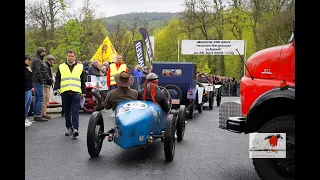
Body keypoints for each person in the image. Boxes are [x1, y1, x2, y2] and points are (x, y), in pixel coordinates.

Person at [53, 50, 86, 138]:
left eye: (72, 56)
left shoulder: (80, 67)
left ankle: (75, 129)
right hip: (65, 92)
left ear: (74, 57)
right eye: (69, 56)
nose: (70, 57)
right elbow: (58, 79)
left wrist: (84, 92)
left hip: (76, 92)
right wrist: (56, 89)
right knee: (66, 111)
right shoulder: (61, 66)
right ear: (66, 56)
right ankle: (69, 127)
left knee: (75, 111)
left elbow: (83, 80)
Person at [31, 47, 49, 121]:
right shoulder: (38, 61)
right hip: (38, 81)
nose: (44, 53)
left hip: (36, 81)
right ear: (40, 52)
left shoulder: (37, 60)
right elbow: (37, 72)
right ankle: (38, 115)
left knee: (37, 98)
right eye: (43, 52)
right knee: (40, 98)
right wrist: (41, 80)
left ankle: (36, 114)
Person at [41, 55, 56, 119]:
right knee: (45, 99)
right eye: (53, 60)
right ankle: (43, 114)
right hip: (46, 84)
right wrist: (51, 80)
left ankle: (44, 113)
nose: (54, 62)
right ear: (51, 60)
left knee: (46, 99)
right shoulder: (46, 66)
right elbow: (46, 75)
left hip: (47, 84)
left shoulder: (47, 65)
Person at [25, 55, 33, 127]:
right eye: (28, 60)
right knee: (25, 104)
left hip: (29, 88)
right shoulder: (26, 69)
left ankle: (26, 118)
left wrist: (32, 87)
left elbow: (30, 79)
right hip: (25, 89)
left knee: (28, 104)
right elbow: (27, 78)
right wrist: (30, 72)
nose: (30, 61)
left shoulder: (28, 68)